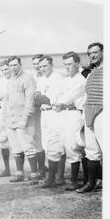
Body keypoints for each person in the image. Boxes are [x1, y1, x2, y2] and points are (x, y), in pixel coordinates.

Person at [52, 52, 86, 191]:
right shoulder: (65, 80)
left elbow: (67, 99)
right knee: (63, 145)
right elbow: (53, 97)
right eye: (65, 64)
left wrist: (61, 102)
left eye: (70, 64)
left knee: (74, 146)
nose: (67, 67)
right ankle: (77, 178)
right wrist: (59, 102)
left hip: (74, 114)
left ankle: (74, 180)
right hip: (64, 115)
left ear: (77, 63)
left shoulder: (81, 79)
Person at [2, 56, 39, 184]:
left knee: (28, 146)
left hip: (24, 119)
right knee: (15, 147)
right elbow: (7, 100)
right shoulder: (10, 79)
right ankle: (19, 174)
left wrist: (24, 119)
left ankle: (34, 174)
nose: (13, 68)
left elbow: (30, 101)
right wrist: (4, 117)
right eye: (11, 66)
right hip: (11, 120)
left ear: (20, 64)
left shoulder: (28, 78)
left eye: (15, 65)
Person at [35, 55, 66, 188]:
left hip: (55, 112)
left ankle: (54, 178)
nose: (42, 68)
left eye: (45, 66)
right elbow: (37, 99)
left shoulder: (58, 78)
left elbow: (48, 99)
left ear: (51, 65)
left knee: (56, 144)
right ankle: (56, 177)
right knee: (47, 144)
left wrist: (40, 97)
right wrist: (39, 98)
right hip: (44, 113)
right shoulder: (40, 79)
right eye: (40, 66)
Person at [77, 43, 103, 193]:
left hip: (103, 112)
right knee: (91, 149)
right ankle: (91, 183)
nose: (92, 55)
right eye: (89, 53)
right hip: (89, 111)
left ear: (103, 52)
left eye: (95, 52)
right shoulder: (91, 72)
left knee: (108, 148)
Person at [30, 54, 48, 183]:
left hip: (48, 110)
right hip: (36, 110)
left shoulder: (47, 77)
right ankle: (40, 169)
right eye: (35, 64)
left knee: (48, 139)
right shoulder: (33, 77)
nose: (37, 67)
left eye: (39, 64)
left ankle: (53, 170)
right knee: (36, 140)